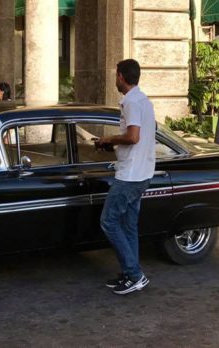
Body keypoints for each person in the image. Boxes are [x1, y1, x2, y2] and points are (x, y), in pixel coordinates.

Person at [97, 59, 156, 296]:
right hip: (143, 172)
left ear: (121, 76)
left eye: (115, 75)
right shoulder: (144, 100)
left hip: (130, 175)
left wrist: (109, 140)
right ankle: (129, 273)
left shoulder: (131, 101)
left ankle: (135, 274)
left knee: (108, 222)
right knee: (128, 225)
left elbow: (133, 137)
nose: (115, 79)